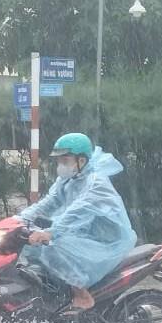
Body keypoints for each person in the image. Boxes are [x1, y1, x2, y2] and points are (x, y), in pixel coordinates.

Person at [17, 132, 137, 310]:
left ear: (81, 161)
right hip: (82, 235)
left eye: (65, 160)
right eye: (59, 161)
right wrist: (18, 219)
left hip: (106, 242)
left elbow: (76, 213)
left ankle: (81, 294)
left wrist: (50, 232)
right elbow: (48, 203)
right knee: (27, 245)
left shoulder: (96, 184)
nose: (61, 165)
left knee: (52, 247)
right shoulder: (66, 180)